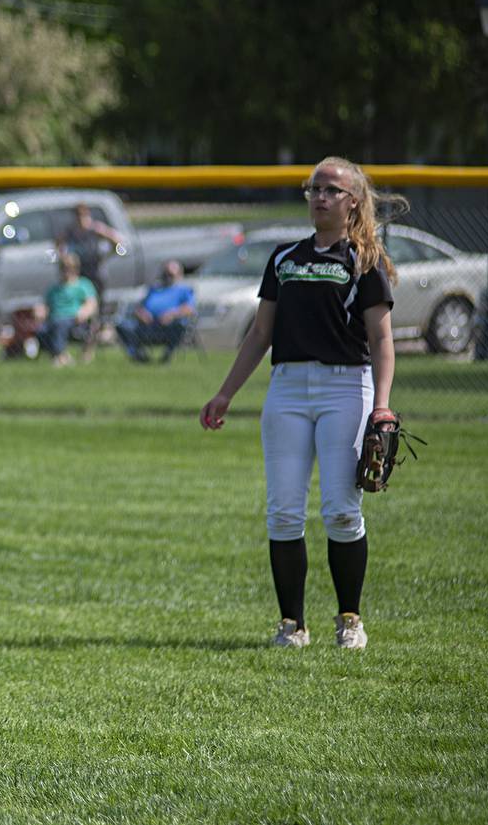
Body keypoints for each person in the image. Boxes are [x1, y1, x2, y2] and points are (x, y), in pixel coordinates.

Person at [200, 156, 402, 650]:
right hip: (287, 388)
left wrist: (383, 405)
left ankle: (349, 619)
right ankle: (292, 624)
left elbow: (381, 341)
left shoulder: (362, 260)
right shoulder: (284, 257)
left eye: (331, 190)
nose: (319, 197)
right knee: (284, 512)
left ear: (353, 201)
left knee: (339, 510)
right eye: (313, 188)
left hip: (344, 389)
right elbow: (261, 333)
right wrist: (226, 392)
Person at [116, 260, 197, 363]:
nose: (167, 277)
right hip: (148, 325)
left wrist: (172, 315)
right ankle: (137, 354)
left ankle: (167, 355)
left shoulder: (185, 290)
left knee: (180, 326)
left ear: (179, 275)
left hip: (170, 326)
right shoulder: (153, 289)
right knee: (122, 325)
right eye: (165, 274)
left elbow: (190, 309)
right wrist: (142, 314)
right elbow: (139, 308)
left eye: (170, 275)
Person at [33, 253, 98, 367]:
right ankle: (62, 356)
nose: (66, 271)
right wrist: (40, 311)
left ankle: (59, 356)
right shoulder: (54, 289)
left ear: (76, 269)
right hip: (53, 318)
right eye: (63, 268)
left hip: (74, 319)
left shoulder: (83, 285)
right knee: (42, 330)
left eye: (70, 268)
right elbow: (45, 305)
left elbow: (91, 303)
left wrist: (84, 312)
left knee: (59, 324)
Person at [56, 202, 125, 301]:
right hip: (78, 274)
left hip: (95, 272)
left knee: (96, 300)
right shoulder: (69, 233)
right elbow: (58, 245)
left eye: (84, 215)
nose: (81, 219)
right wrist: (65, 258)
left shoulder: (96, 230)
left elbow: (118, 243)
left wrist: (105, 234)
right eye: (78, 216)